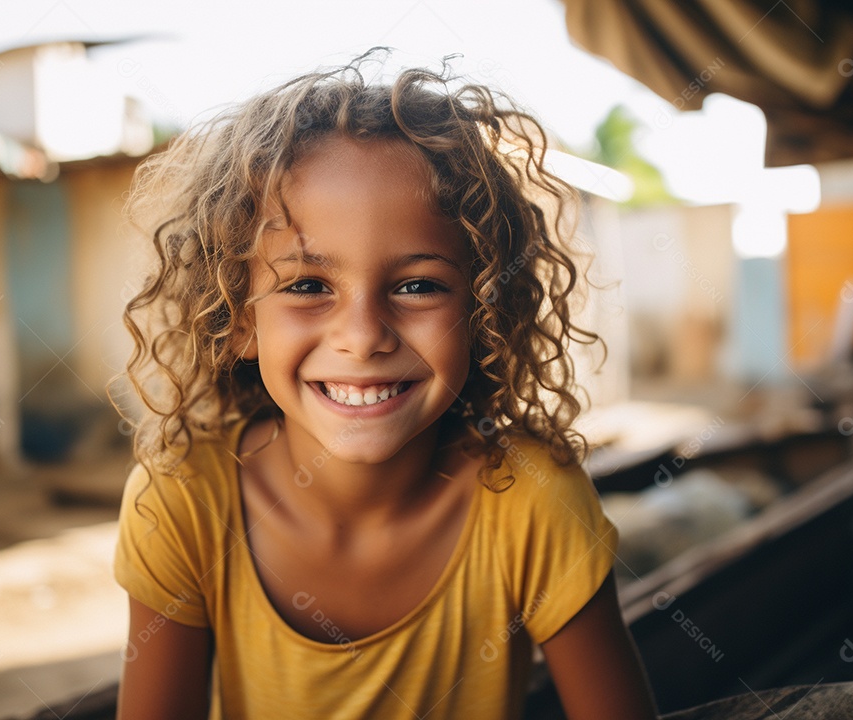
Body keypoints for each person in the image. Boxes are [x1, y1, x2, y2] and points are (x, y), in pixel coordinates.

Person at [112, 48, 658, 720]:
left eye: (418, 286)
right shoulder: (184, 498)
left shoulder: (529, 500)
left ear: (483, 309)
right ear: (237, 318)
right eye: (309, 286)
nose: (364, 335)